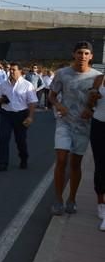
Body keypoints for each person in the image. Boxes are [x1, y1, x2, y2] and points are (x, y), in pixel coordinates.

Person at [48, 41, 101, 215]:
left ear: (91, 56)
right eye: (79, 53)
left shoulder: (97, 77)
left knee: (75, 163)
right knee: (61, 158)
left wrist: (90, 109)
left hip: (84, 125)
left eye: (86, 53)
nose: (82, 56)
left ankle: (72, 198)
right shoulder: (62, 74)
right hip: (64, 122)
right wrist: (58, 105)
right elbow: (52, 95)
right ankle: (58, 199)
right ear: (73, 54)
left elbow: (99, 101)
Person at [0, 63, 38, 171]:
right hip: (6, 114)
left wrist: (30, 117)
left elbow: (32, 102)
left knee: (20, 140)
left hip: (21, 114)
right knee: (3, 138)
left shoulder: (27, 85)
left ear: (20, 71)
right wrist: (2, 100)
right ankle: (3, 163)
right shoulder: (3, 85)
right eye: (10, 70)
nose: (11, 72)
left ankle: (24, 158)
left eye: (14, 70)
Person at [84, 71, 105, 230]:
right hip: (99, 126)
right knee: (100, 167)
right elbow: (90, 106)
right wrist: (92, 98)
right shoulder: (100, 79)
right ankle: (101, 204)